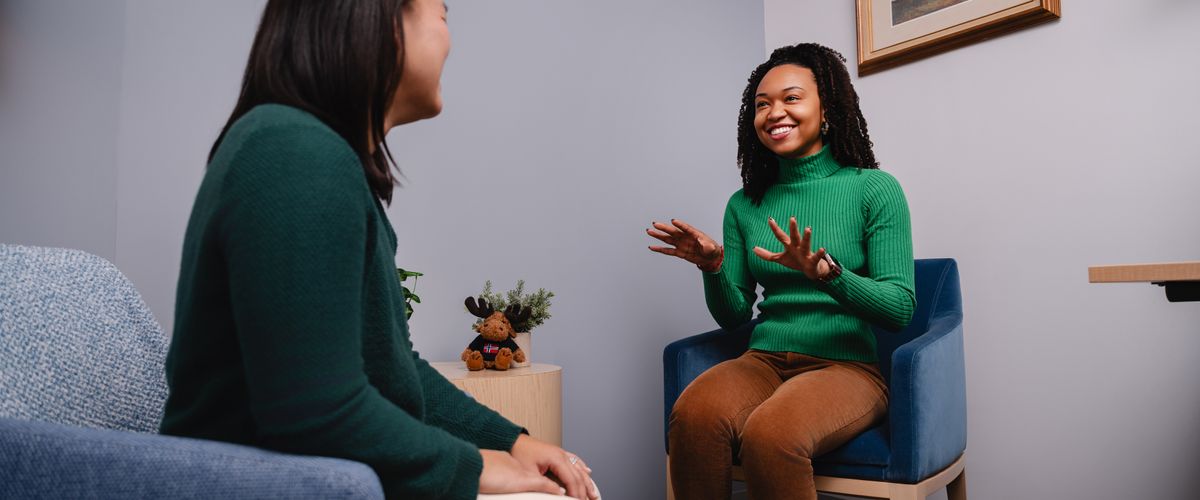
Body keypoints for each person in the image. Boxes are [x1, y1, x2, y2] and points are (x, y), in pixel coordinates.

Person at [161, 1, 598, 499]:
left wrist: (510, 442)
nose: (450, 39)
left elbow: (392, 371)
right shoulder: (295, 154)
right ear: (382, 20)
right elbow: (314, 415)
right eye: (442, 14)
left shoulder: (311, 153)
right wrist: (472, 465)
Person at [647, 43, 914, 500]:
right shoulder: (745, 203)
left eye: (791, 98)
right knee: (693, 414)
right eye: (762, 105)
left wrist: (829, 274)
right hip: (765, 360)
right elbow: (734, 318)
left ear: (826, 107)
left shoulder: (874, 189)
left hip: (847, 368)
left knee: (771, 434)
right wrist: (713, 267)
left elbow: (900, 310)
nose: (774, 113)